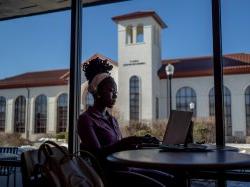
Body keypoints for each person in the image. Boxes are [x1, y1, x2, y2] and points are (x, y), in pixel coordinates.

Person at [77, 57, 158, 157]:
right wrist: (128, 142)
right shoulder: (86, 119)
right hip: (109, 172)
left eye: (116, 92)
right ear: (98, 92)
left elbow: (118, 147)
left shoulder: (112, 120)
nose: (115, 95)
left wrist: (141, 140)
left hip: (124, 167)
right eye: (111, 91)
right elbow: (97, 155)